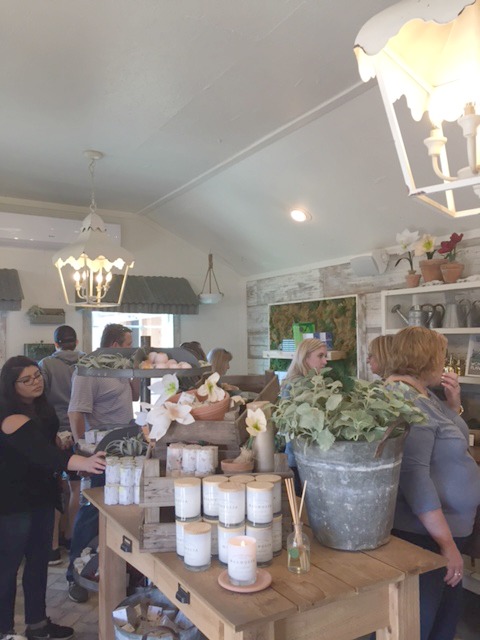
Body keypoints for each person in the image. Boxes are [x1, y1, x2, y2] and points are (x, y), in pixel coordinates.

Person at [0, 356, 106, 640]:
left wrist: (64, 444)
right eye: (27, 379)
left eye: (37, 375)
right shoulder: (9, 416)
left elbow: (47, 446)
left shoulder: (39, 407)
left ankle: (37, 624)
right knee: (7, 569)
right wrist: (82, 463)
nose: (36, 382)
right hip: (12, 502)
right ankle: (5, 631)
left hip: (41, 496)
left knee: (37, 564)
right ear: (11, 386)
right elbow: (42, 454)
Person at [385, 326, 480, 640]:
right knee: (420, 624)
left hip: (444, 531)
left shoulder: (424, 395)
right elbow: (414, 476)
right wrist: (447, 544)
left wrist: (454, 403)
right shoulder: (407, 400)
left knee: (443, 621)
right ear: (425, 358)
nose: (445, 362)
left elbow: (446, 440)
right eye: (441, 355)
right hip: (424, 535)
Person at [66, 323, 138, 603]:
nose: (132, 349)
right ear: (116, 344)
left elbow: (134, 397)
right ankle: (75, 574)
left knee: (124, 507)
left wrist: (133, 373)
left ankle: (120, 571)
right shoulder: (89, 368)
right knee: (94, 509)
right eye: (129, 344)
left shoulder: (120, 366)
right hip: (102, 450)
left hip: (127, 442)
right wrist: (84, 451)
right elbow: (75, 413)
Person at [39, 325, 84, 565]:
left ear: (55, 343)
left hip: (54, 431)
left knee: (56, 490)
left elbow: (40, 398)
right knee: (76, 488)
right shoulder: (87, 362)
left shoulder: (46, 364)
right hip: (80, 431)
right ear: (75, 342)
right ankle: (71, 537)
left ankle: (52, 548)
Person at [281, 338, 328, 494]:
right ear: (305, 357)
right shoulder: (295, 385)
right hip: (299, 460)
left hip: (306, 458)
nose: (325, 361)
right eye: (320, 356)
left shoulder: (310, 382)